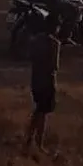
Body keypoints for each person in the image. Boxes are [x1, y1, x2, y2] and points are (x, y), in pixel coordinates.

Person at [26, 11, 62, 150]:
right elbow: (55, 66)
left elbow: (30, 57)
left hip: (35, 80)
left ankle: (29, 139)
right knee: (43, 114)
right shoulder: (54, 43)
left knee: (38, 111)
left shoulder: (35, 40)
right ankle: (39, 143)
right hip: (47, 81)